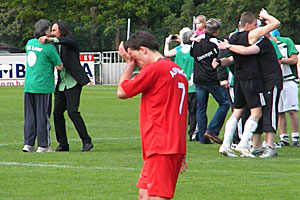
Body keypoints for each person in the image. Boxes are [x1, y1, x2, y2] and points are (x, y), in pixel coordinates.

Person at [117, 31, 188, 200]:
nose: (136, 63)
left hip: (161, 144)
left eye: (135, 57)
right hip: (167, 144)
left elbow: (121, 92)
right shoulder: (176, 69)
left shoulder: (154, 69)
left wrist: (128, 65)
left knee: (156, 196)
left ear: (143, 50)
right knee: (144, 194)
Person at [215, 9, 281, 157]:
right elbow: (275, 24)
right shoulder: (251, 35)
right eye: (255, 24)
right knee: (256, 112)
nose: (257, 27)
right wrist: (266, 16)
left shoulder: (232, 37)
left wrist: (221, 59)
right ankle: (243, 144)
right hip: (251, 78)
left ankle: (226, 145)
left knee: (237, 112)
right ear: (248, 25)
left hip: (237, 78)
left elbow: (231, 58)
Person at [39, 20, 93, 152]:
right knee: (57, 113)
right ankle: (63, 144)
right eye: (51, 31)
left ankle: (87, 141)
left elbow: (69, 42)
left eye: (54, 30)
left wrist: (52, 40)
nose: (52, 33)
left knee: (72, 112)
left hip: (73, 82)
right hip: (62, 84)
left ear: (62, 31)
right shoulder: (55, 46)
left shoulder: (70, 41)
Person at [23, 19, 63, 153]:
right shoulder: (48, 47)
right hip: (43, 85)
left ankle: (28, 144)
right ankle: (43, 145)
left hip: (29, 84)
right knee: (42, 116)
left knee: (30, 115)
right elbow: (59, 66)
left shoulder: (29, 43)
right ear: (45, 31)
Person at [190, 18, 230, 144]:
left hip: (199, 79)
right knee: (224, 103)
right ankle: (212, 130)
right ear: (217, 31)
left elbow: (193, 54)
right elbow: (222, 58)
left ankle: (202, 138)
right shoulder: (216, 43)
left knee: (201, 108)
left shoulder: (196, 41)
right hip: (212, 79)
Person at [164, 28, 198, 141]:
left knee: (179, 110)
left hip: (178, 84)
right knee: (194, 111)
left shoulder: (178, 49)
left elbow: (166, 53)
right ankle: (192, 133)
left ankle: (177, 131)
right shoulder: (194, 50)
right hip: (192, 84)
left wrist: (167, 43)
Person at [269, 35, 299, 147]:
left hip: (289, 79)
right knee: (279, 111)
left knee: (292, 110)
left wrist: (281, 61)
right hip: (276, 80)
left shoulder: (285, 42)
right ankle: (283, 138)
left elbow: (294, 59)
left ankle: (295, 137)